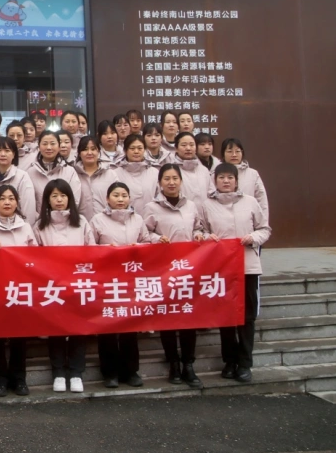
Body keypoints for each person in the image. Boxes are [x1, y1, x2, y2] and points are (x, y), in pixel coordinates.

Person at [201, 163, 271, 384]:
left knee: (247, 317)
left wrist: (254, 238)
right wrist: (206, 237)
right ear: (215, 181)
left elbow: (264, 229)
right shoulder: (206, 204)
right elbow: (199, 230)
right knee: (226, 316)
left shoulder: (250, 202)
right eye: (221, 177)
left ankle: (245, 363)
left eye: (230, 177)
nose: (226, 181)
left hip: (247, 266)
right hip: (220, 269)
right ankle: (229, 361)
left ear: (236, 181)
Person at [143, 164, 208, 388]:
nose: (171, 182)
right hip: (163, 271)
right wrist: (156, 239)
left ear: (181, 181)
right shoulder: (151, 207)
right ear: (160, 183)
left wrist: (199, 235)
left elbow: (199, 228)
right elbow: (145, 233)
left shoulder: (191, 206)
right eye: (167, 179)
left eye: (175, 178)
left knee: (188, 317)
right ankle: (173, 363)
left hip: (188, 269)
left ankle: (189, 364)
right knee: (167, 318)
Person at [91, 182, 156, 389]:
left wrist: (140, 247)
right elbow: (89, 248)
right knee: (107, 325)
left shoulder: (138, 220)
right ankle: (110, 372)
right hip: (107, 280)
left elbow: (147, 242)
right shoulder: (97, 220)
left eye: (124, 195)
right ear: (107, 199)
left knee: (130, 325)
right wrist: (105, 249)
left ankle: (131, 371)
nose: (120, 199)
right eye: (116, 195)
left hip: (131, 279)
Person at [0, 185, 38, 397]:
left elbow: (34, 256)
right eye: (2, 199)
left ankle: (19, 378)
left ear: (17, 202)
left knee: (20, 335)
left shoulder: (25, 227)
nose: (7, 202)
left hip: (20, 288)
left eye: (11, 198)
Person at [34, 179, 95, 393]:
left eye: (63, 195)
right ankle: (58, 372)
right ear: (47, 200)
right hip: (52, 286)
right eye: (54, 196)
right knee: (56, 329)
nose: (59, 200)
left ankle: (76, 373)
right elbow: (34, 256)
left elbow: (92, 251)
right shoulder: (40, 226)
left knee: (78, 329)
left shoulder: (82, 222)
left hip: (78, 284)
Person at [25, 130, 82, 213]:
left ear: (59, 146)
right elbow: (28, 202)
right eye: (45, 144)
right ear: (39, 147)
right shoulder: (30, 172)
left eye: (52, 143)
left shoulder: (69, 171)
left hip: (65, 219)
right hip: (39, 220)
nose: (49, 147)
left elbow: (74, 200)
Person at [0, 137, 37, 225]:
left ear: (14, 154)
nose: (2, 154)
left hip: (16, 227)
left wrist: (26, 229)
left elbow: (28, 208)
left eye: (7, 151)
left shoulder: (22, 177)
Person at [221, 138, 269, 222]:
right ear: (223, 154)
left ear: (242, 153)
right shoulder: (215, 174)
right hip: (222, 221)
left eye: (237, 151)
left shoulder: (253, 174)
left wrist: (263, 224)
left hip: (248, 221)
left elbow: (261, 200)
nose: (234, 155)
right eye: (229, 151)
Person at [75, 135, 120, 222]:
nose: (89, 153)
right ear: (79, 153)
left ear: (99, 151)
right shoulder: (73, 174)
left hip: (107, 224)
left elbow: (117, 199)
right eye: (85, 149)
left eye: (93, 149)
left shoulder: (110, 174)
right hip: (80, 224)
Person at [117, 134, 159, 212]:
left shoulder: (154, 173)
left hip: (151, 217)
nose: (136, 151)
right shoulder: (116, 174)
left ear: (145, 150)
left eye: (140, 148)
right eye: (132, 148)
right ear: (125, 150)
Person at [173, 132, 213, 209]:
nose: (188, 148)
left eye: (192, 145)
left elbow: (211, 194)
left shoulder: (204, 170)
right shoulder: (171, 170)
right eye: (184, 145)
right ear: (176, 148)